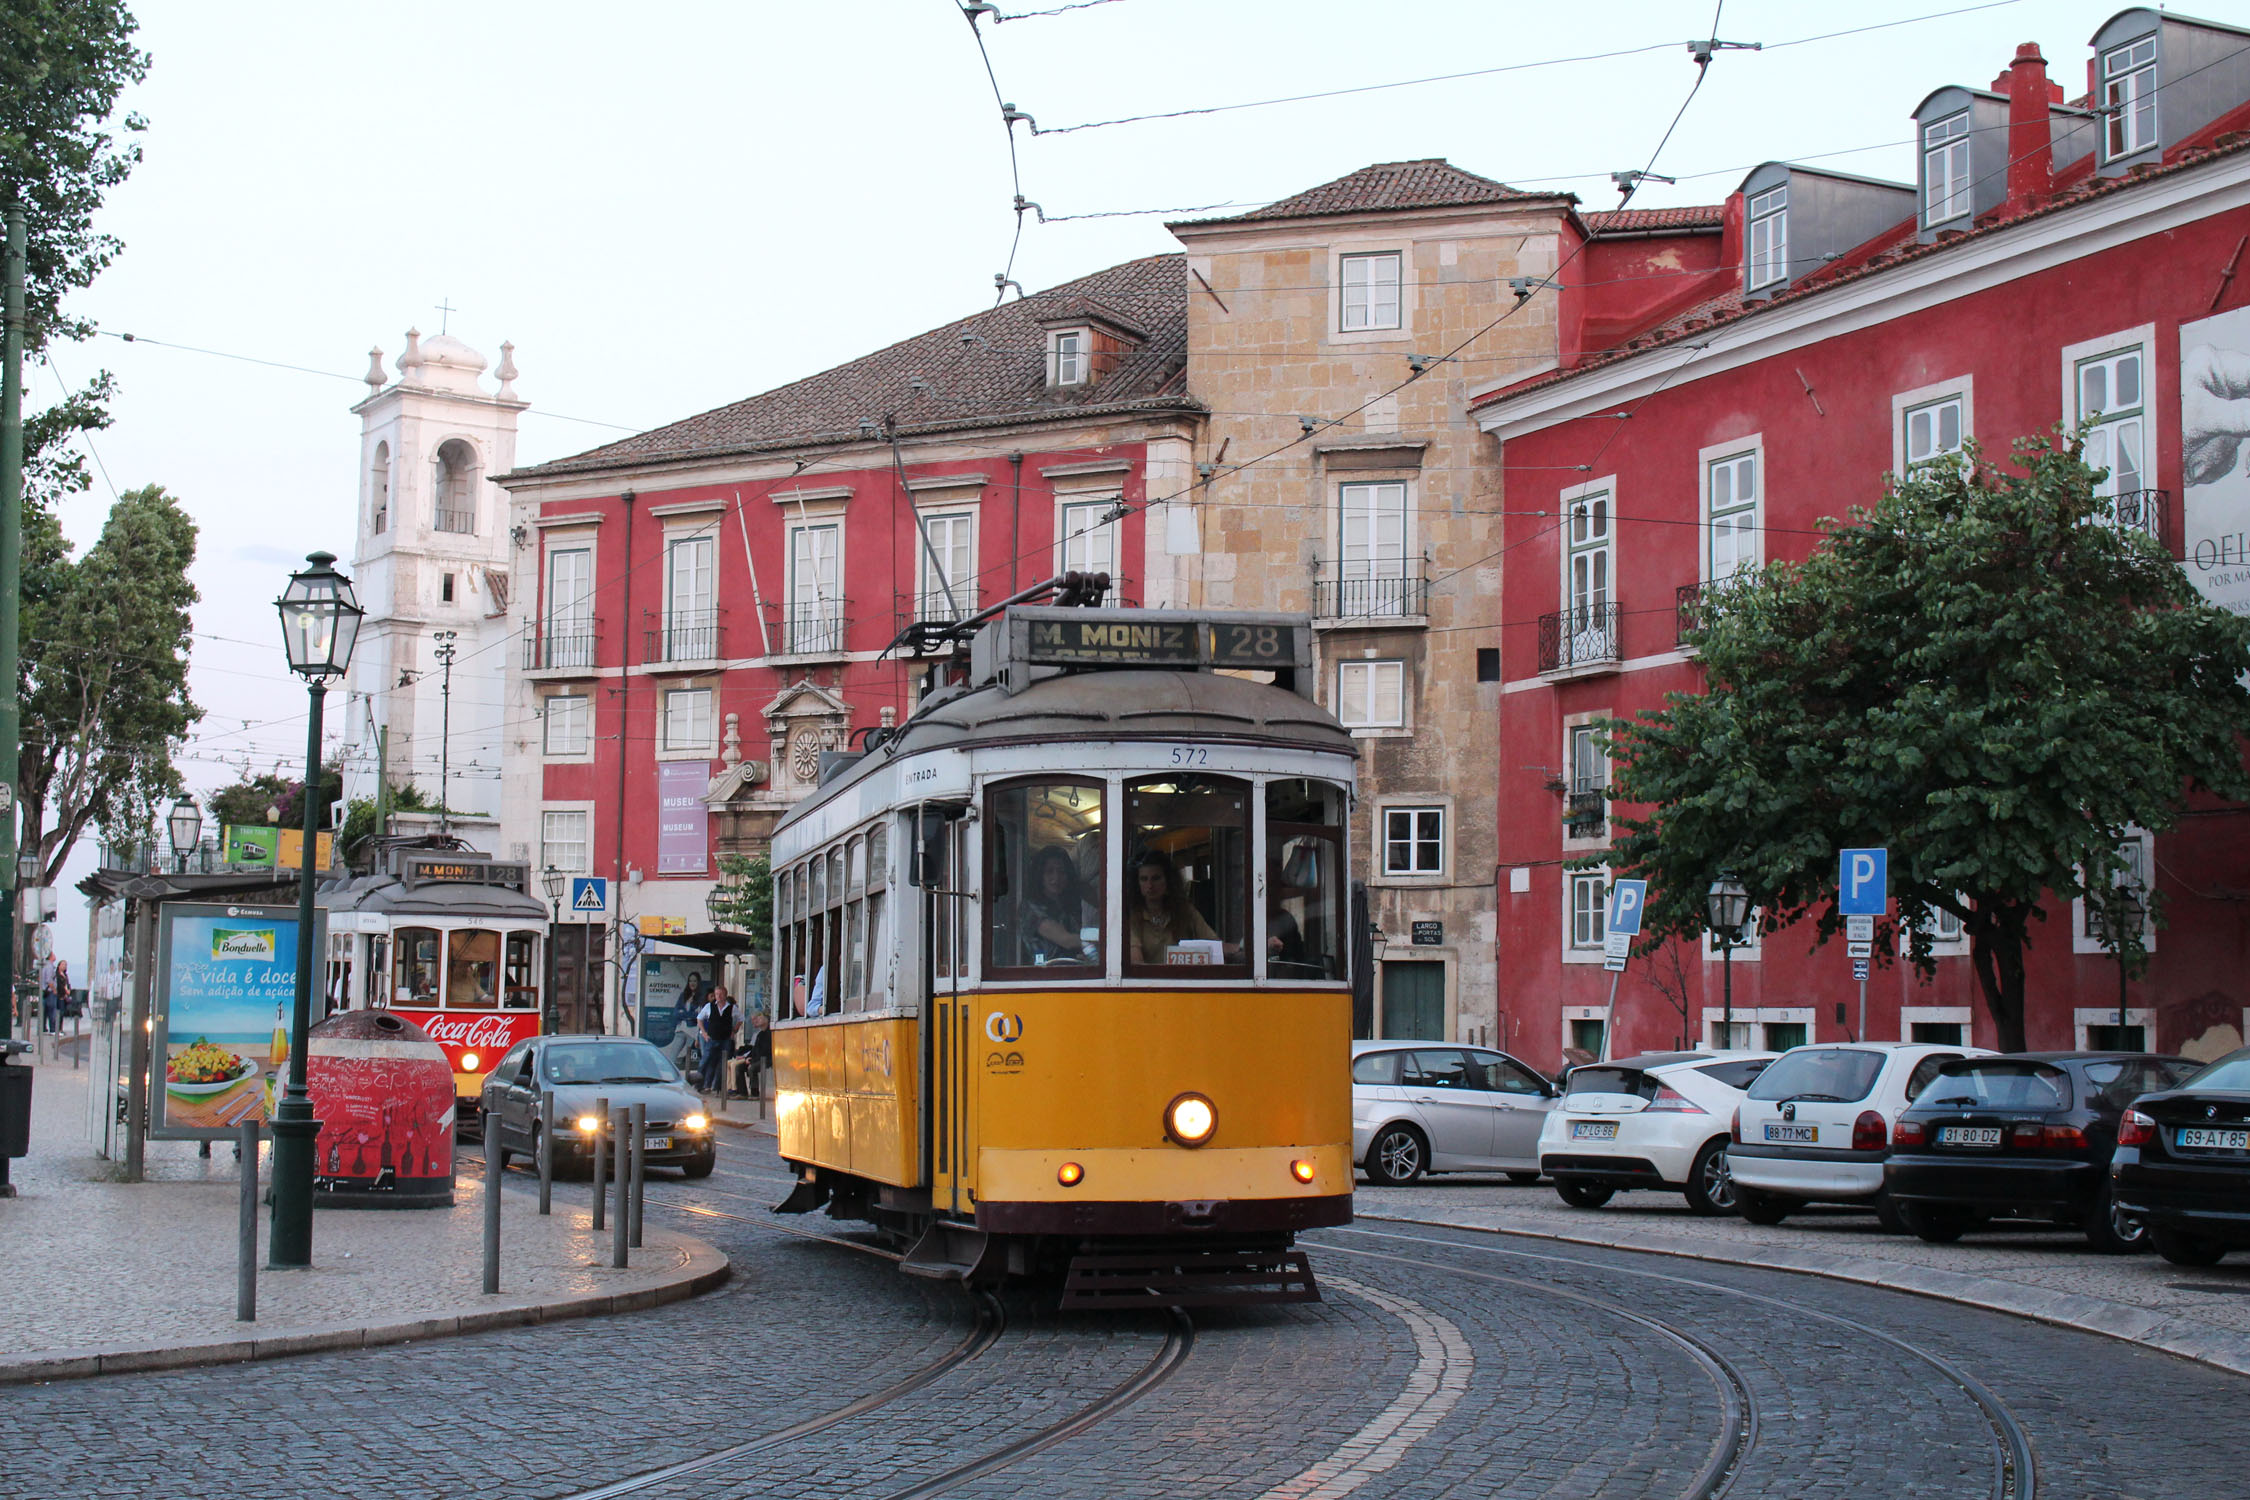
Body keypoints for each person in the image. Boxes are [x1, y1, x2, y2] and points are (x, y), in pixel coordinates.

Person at [1127, 851, 1221, 965]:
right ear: (1137, 883)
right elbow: (1136, 962)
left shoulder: (1185, 911)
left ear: (1168, 880)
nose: (1150, 885)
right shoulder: (1132, 916)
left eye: (1156, 878)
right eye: (1144, 879)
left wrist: (1240, 950)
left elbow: (1215, 946)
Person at [1019, 846, 1096, 965]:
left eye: (1062, 872)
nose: (1056, 878)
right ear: (1039, 875)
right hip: (1042, 977)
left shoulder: (1068, 904)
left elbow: (1100, 903)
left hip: (1074, 971)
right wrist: (1099, 944)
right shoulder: (1030, 908)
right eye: (1049, 871)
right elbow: (1066, 940)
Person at [696, 984, 740, 1093]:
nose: (718, 996)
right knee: (706, 1061)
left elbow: (741, 1019)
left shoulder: (732, 1008)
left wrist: (734, 1030)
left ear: (725, 995)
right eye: (716, 994)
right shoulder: (709, 1006)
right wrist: (704, 1034)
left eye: (721, 994)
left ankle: (716, 1087)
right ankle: (698, 1083)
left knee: (721, 1063)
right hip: (712, 1039)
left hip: (725, 1039)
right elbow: (699, 1019)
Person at [37, 954, 58, 1035]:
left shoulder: (44, 966)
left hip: (44, 991)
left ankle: (42, 1028)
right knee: (52, 1011)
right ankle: (52, 1029)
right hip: (49, 991)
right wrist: (54, 989)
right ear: (51, 956)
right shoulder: (49, 966)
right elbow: (49, 980)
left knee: (44, 1011)